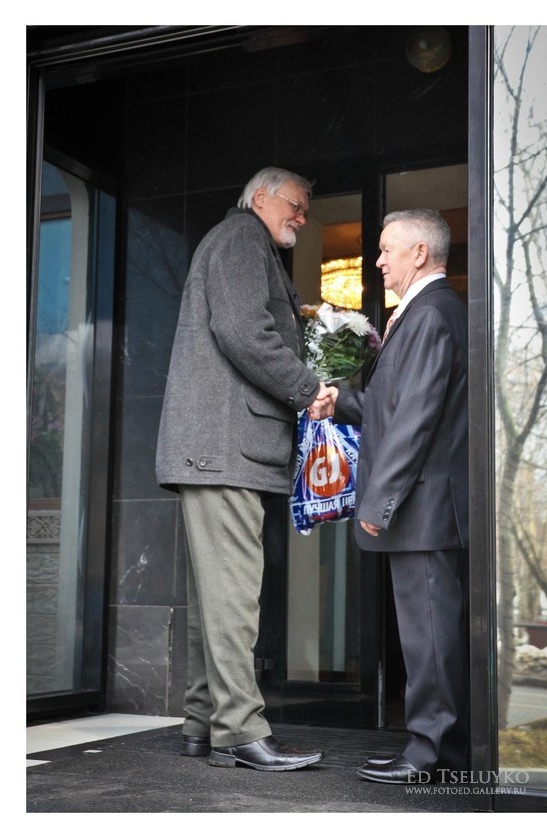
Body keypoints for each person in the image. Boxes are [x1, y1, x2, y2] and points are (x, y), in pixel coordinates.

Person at [156, 167, 336, 771]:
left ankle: (202, 723)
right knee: (234, 598)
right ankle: (240, 733)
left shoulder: (238, 242)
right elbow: (242, 329)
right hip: (225, 447)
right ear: (260, 197)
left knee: (216, 598)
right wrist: (307, 388)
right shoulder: (240, 239)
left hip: (218, 446)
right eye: (297, 205)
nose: (302, 218)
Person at [335, 208, 469, 784]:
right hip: (422, 507)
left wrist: (377, 502)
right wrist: (335, 399)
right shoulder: (418, 315)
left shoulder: (432, 314)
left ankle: (430, 754)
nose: (379, 260)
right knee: (427, 633)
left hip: (424, 508)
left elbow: (414, 420)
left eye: (388, 249)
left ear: (420, 253)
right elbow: (389, 409)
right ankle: (441, 750)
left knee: (431, 634)